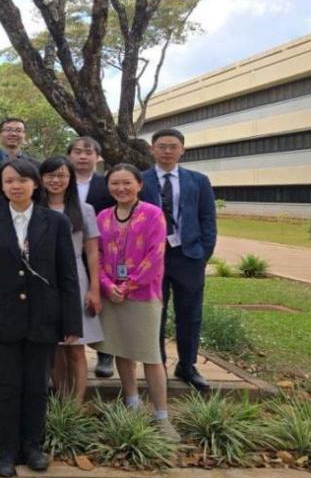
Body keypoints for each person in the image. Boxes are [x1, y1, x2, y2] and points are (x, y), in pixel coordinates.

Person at [0, 159, 81, 478]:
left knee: (36, 386)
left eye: (22, 180)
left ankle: (32, 446)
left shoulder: (55, 222)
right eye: (9, 181)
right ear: (1, 187)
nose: (16, 186)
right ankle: (6, 449)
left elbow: (67, 275)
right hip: (2, 318)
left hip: (43, 317)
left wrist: (71, 322)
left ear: (35, 184)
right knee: (6, 386)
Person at [95, 164, 179, 442]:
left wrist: (127, 286)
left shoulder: (153, 214)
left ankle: (162, 416)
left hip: (143, 294)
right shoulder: (103, 217)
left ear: (139, 185)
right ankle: (132, 403)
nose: (121, 188)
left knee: (151, 356)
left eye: (127, 183)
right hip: (112, 296)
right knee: (122, 350)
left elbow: (155, 256)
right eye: (115, 183)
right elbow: (96, 256)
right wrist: (108, 286)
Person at [140, 128, 217, 391]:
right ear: (152, 149)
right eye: (162, 146)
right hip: (151, 258)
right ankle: (156, 362)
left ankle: (187, 365)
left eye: (173, 146)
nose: (167, 151)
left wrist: (203, 253)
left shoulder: (198, 180)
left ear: (182, 150)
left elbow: (207, 218)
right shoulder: (140, 180)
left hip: (188, 256)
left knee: (190, 314)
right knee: (154, 313)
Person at [38, 156, 103, 403]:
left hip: (76, 279)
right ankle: (61, 401)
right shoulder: (35, 208)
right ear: (41, 179)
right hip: (44, 280)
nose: (56, 180)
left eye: (62, 175)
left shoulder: (84, 210)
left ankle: (76, 405)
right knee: (55, 347)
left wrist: (94, 289)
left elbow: (93, 252)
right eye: (50, 175)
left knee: (76, 347)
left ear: (70, 178)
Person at [66, 136, 116, 379]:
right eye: (77, 151)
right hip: (70, 252)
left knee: (101, 302)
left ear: (98, 157)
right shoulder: (61, 182)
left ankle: (105, 354)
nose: (82, 156)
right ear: (69, 156)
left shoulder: (107, 185)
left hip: (101, 250)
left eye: (88, 152)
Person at [0, 118, 38, 207]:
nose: (13, 134)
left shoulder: (36, 166)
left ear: (24, 135)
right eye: (8, 130)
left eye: (18, 130)